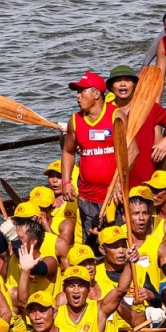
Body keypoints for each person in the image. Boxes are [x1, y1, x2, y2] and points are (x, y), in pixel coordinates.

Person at [60, 71, 119, 247]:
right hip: (88, 198)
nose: (78, 97)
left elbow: (132, 152)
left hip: (115, 197)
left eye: (82, 91)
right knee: (93, 244)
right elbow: (68, 152)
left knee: (116, 244)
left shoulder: (117, 116)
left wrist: (118, 182)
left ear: (96, 94)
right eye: (77, 92)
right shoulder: (75, 121)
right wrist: (66, 182)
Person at [105, 65, 166, 186]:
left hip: (146, 179)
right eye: (118, 81)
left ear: (135, 85)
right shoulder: (104, 111)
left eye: (127, 80)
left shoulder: (149, 107)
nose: (123, 84)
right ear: (111, 87)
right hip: (114, 182)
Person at [94, 225, 164, 332]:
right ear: (102, 250)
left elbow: (158, 302)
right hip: (107, 331)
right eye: (115, 247)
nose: (121, 251)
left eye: (123, 245)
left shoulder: (139, 271)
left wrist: (151, 295)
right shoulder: (94, 275)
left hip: (136, 329)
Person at [125, 185, 166, 303]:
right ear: (126, 214)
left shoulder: (160, 241)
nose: (141, 218)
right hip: (127, 294)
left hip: (156, 291)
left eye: (145, 213)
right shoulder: (119, 237)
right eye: (136, 213)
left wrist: (159, 259)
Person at [55, 264, 122, 332]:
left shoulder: (99, 309)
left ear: (89, 289)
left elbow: (121, 290)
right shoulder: (54, 314)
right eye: (71, 286)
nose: (76, 291)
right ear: (64, 288)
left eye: (81, 286)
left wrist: (130, 262)